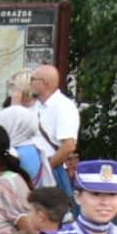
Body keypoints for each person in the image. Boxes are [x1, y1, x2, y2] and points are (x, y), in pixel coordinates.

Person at [29, 64, 79, 196]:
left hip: (51, 171)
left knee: (52, 213)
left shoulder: (63, 107)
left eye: (33, 79)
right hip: (37, 170)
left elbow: (68, 146)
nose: (30, 83)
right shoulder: (37, 104)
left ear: (44, 83)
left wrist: (46, 170)